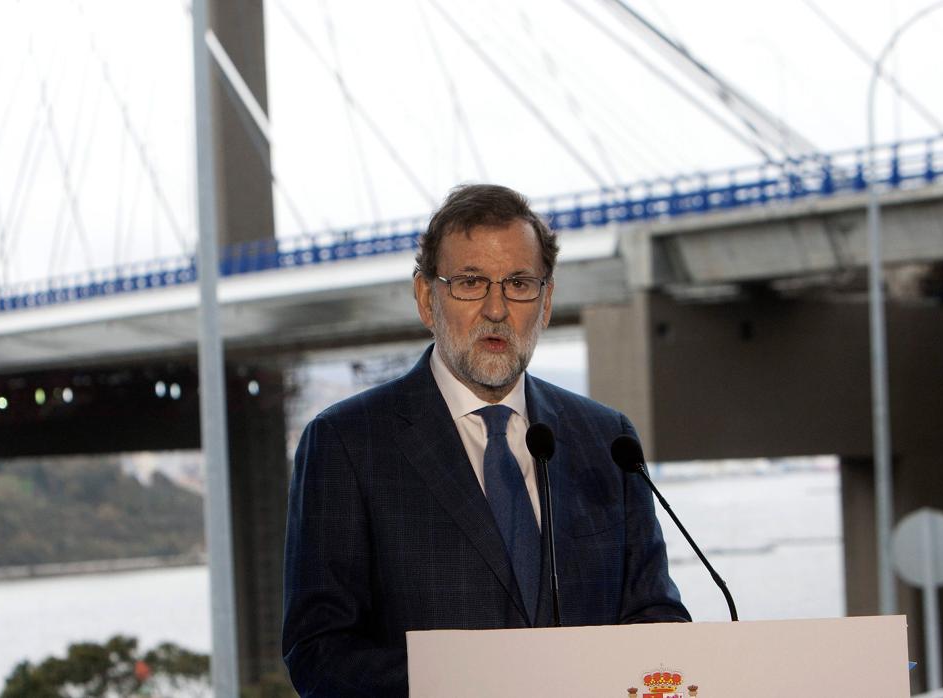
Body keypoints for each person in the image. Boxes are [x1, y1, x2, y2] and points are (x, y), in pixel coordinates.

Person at [282, 184, 689, 696]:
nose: (496, 309)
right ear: (426, 298)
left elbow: (655, 613)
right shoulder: (347, 443)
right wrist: (469, 683)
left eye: (519, 283)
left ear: (545, 302)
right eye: (471, 283)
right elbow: (318, 652)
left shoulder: (607, 439)